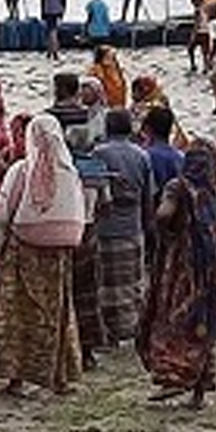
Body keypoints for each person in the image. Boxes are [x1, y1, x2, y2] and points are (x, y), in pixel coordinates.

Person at [139, 140, 216, 408]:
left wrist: (167, 233)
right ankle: (198, 391)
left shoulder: (178, 187)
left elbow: (162, 215)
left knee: (174, 322)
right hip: (213, 268)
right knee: (203, 325)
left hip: (182, 269)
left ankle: (175, 378)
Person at [0, 115, 88, 396]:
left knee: (17, 314)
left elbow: (2, 213)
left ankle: (16, 379)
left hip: (22, 252)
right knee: (56, 314)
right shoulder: (70, 173)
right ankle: (59, 377)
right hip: (58, 257)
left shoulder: (21, 171)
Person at [92, 111, 154, 354]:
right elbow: (148, 198)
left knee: (106, 284)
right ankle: (133, 329)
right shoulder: (142, 156)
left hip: (105, 229)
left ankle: (109, 333)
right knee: (131, 283)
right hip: (132, 228)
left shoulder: (99, 154)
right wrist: (148, 229)